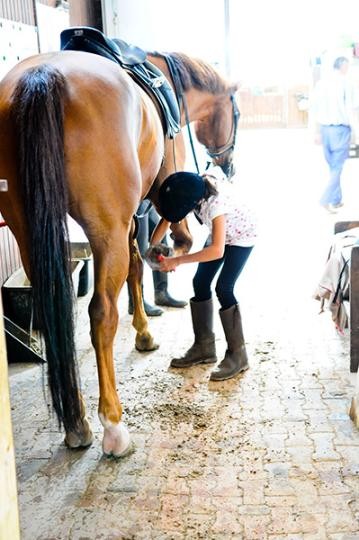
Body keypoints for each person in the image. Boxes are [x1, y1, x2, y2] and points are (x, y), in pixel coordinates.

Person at [151, 169, 257, 381]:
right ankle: (204, 347)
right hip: (221, 234)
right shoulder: (193, 187)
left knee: (224, 288)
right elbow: (168, 217)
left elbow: (217, 250)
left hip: (241, 235)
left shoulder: (215, 205)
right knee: (200, 282)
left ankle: (238, 355)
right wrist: (152, 247)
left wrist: (177, 260)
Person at [311, 56, 359, 213]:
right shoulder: (347, 83)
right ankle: (325, 199)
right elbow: (351, 109)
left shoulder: (321, 84)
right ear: (343, 66)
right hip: (340, 130)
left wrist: (316, 132)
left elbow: (315, 109)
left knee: (332, 166)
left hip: (325, 129)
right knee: (337, 167)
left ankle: (336, 199)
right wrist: (356, 133)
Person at [128, 201, 187, 317]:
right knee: (139, 249)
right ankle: (136, 302)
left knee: (160, 240)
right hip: (136, 199)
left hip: (148, 199)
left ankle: (161, 292)